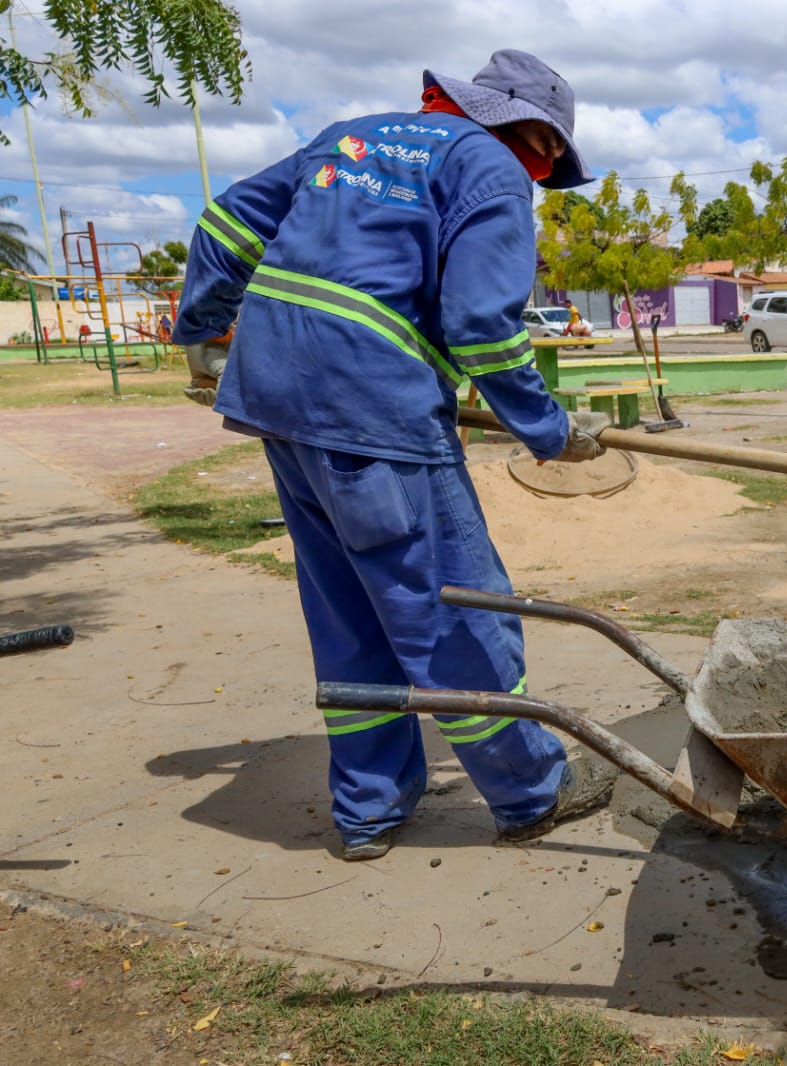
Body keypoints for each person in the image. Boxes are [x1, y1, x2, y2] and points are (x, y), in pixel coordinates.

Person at [171, 50, 616, 861]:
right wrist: (549, 431)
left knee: (349, 609)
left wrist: (203, 329)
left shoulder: (351, 139)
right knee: (451, 609)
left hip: (279, 402)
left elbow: (228, 223)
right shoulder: (490, 167)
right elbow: (483, 324)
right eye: (550, 158)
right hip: (371, 412)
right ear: (539, 138)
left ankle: (370, 808)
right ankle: (532, 791)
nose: (544, 173)